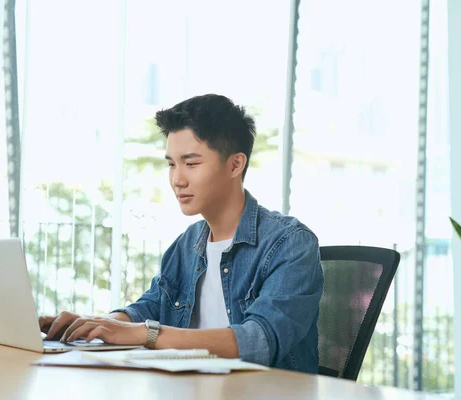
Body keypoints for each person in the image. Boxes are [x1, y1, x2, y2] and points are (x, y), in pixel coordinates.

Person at [39, 94, 324, 373]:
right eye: (171, 164)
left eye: (191, 163)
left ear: (235, 164)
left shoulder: (290, 243)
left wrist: (145, 334)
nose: (177, 179)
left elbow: (259, 339)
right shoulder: (187, 245)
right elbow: (148, 309)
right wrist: (97, 325)